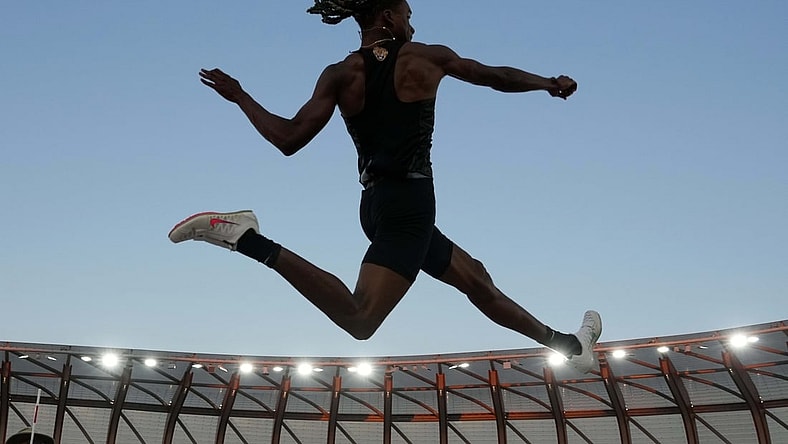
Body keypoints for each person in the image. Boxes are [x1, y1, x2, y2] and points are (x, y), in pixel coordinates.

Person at [169, 0, 602, 372]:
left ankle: (569, 346)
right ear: (389, 18)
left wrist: (242, 95)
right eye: (409, 15)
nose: (413, 25)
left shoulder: (340, 75)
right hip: (410, 205)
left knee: (478, 282)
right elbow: (491, 75)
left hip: (375, 208)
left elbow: (288, 139)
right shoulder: (424, 58)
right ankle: (247, 240)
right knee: (361, 320)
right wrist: (547, 83)